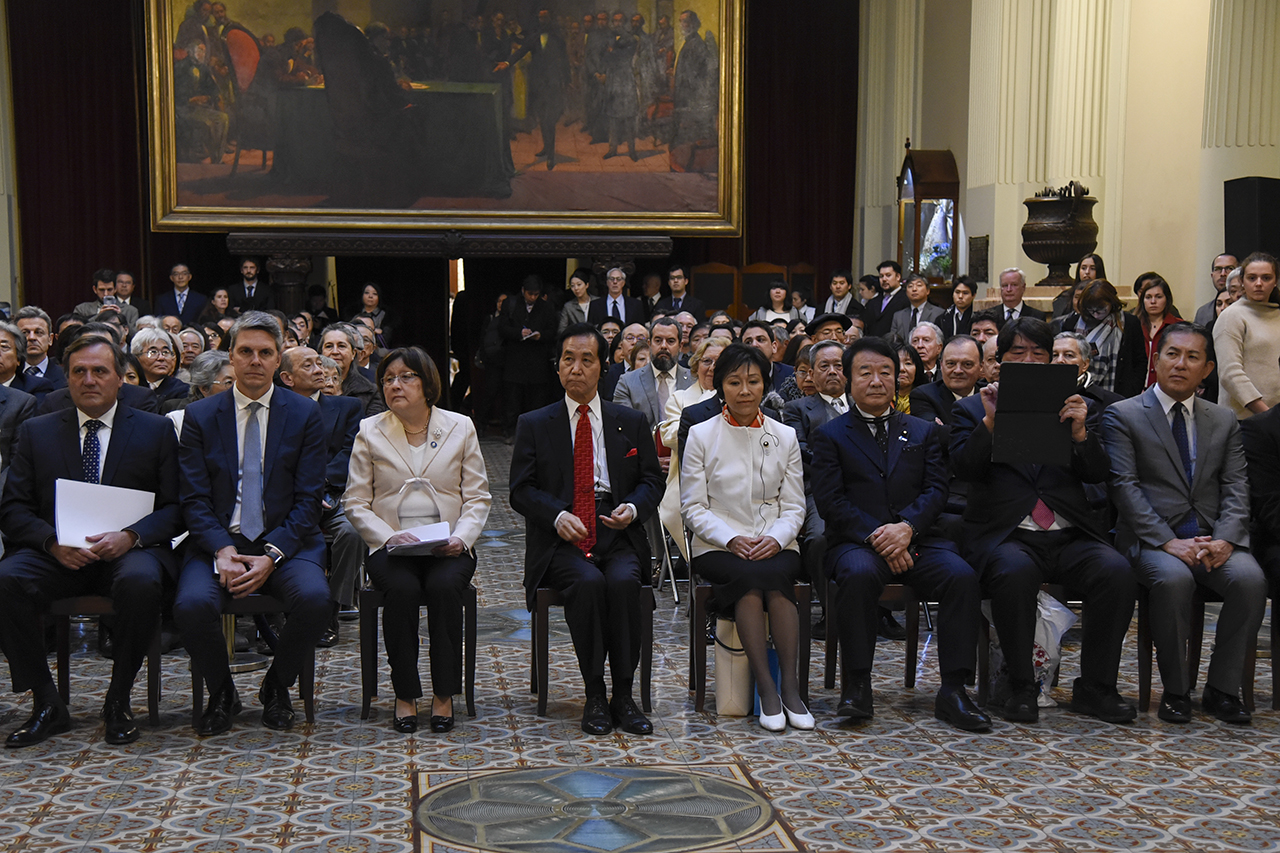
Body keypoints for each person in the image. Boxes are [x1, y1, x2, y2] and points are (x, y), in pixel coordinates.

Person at [950, 317, 1137, 724]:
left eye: (1040, 353)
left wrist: (1081, 435)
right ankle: (1020, 685)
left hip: (1068, 532)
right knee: (1014, 572)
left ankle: (1096, 687)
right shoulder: (970, 408)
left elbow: (1096, 475)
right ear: (997, 362)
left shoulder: (1073, 405)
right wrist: (991, 424)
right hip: (1009, 535)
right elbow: (964, 469)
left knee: (1117, 571)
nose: (1031, 361)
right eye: (1019, 353)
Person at [0, 334, 182, 746]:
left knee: (142, 582)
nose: (89, 380)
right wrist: (51, 543)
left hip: (126, 553)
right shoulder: (36, 431)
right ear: (66, 380)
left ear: (120, 379)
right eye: (79, 372)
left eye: (100, 371)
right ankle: (47, 702)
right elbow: (12, 509)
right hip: (57, 554)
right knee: (6, 578)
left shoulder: (155, 431)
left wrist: (133, 535)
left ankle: (118, 700)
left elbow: (176, 507)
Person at [811, 337, 988, 730]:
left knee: (961, 577)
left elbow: (936, 491)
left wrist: (907, 529)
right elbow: (831, 501)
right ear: (848, 377)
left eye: (885, 372)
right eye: (866, 373)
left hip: (919, 539)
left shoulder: (923, 432)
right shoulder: (830, 435)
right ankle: (857, 685)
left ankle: (953, 691)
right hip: (858, 542)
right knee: (857, 575)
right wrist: (882, 537)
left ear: (898, 378)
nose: (876, 381)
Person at [173, 311, 330, 736]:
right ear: (231, 356)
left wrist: (273, 555)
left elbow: (308, 499)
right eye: (246, 351)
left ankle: (277, 685)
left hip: (287, 540)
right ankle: (223, 691)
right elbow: (194, 498)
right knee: (190, 605)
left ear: (279, 359)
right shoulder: (202, 417)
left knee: (315, 600)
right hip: (218, 541)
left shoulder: (304, 414)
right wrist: (222, 548)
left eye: (265, 353)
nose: (255, 361)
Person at [1102, 323, 1264, 725]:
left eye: (1193, 357)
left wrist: (1226, 540)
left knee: (1250, 580)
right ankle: (1176, 691)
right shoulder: (1123, 415)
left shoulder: (1223, 420)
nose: (1181, 364)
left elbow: (1236, 486)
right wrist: (1166, 541)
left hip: (1213, 538)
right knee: (1174, 580)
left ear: (1207, 368)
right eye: (1172, 354)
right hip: (1152, 540)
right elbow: (1124, 488)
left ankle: (1222, 689)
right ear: (1156, 360)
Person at [509, 323, 663, 736]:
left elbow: (653, 481)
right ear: (557, 367)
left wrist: (633, 507)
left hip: (617, 530)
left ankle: (624, 694)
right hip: (561, 538)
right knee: (588, 584)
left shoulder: (629, 421)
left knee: (624, 583)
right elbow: (520, 491)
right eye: (567, 360)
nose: (576, 369)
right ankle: (595, 692)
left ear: (602, 368)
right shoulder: (535, 423)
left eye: (587, 360)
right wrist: (557, 516)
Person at [345, 347, 490, 734]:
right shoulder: (369, 430)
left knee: (444, 587)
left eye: (406, 377)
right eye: (388, 378)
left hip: (449, 545)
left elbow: (477, 497)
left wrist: (461, 539)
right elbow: (356, 502)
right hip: (392, 545)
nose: (395, 384)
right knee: (403, 590)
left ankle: (444, 694)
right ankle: (405, 693)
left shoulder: (460, 426)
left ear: (427, 385)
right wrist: (390, 536)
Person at [681, 343, 810, 731]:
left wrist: (775, 537)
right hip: (718, 544)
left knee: (772, 574)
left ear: (764, 385)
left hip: (776, 540)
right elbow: (692, 506)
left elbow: (795, 507)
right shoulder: (702, 435)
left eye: (753, 381)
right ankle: (767, 690)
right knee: (753, 580)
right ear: (721, 385)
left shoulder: (784, 435)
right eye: (734, 382)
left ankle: (790, 688)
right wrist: (731, 539)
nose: (744, 390)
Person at [278, 346, 364, 648]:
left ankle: (331, 608)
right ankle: (280, 614)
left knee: (353, 532)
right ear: (287, 377)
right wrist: (302, 491)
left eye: (320, 364)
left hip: (331, 494)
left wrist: (316, 486)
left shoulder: (347, 407)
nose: (320, 370)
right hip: (283, 497)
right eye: (309, 365)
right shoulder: (275, 408)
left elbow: (349, 451)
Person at [782, 340, 849, 637]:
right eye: (825, 366)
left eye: (839, 365)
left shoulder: (865, 402)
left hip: (867, 490)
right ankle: (832, 613)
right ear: (811, 372)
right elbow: (800, 450)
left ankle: (880, 611)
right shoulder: (797, 408)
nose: (833, 371)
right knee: (821, 537)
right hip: (818, 490)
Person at [657, 337, 725, 561]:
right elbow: (669, 437)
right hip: (688, 481)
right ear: (696, 366)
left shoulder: (738, 398)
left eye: (720, 361)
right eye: (707, 361)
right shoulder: (680, 398)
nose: (713, 367)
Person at [1213, 252, 1280, 419]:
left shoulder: (1277, 313)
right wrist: (1266, 414)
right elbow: (1230, 373)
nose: (1259, 284)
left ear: (1275, 282)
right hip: (1244, 419)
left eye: (1266, 278)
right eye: (1252, 278)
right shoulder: (1231, 316)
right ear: (1242, 281)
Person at [500, 275, 558, 442]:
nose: (533, 297)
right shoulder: (510, 304)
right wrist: (519, 333)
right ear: (523, 291)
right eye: (530, 294)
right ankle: (510, 431)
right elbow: (502, 328)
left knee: (536, 400)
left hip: (537, 360)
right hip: (515, 359)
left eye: (536, 294)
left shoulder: (546, 307)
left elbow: (553, 331)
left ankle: (535, 433)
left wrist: (539, 336)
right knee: (512, 399)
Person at [1065, 280, 1145, 397]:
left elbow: (1140, 361)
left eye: (1101, 308)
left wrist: (1132, 391)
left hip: (1119, 394)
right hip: (1079, 392)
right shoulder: (1072, 323)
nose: (1096, 314)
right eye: (1091, 309)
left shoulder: (1129, 323)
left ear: (1112, 303)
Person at [612, 318, 692, 432]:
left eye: (670, 341)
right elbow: (625, 428)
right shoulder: (627, 382)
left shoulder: (694, 380)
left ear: (680, 346)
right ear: (649, 344)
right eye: (658, 340)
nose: (663, 346)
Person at [321, 323, 386, 417]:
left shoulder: (371, 391)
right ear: (321, 352)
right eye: (329, 346)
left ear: (353, 353)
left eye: (341, 346)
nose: (335, 352)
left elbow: (371, 428)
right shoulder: (309, 387)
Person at [165, 349, 233, 436]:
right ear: (204, 388)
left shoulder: (244, 415)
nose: (236, 387)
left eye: (239, 382)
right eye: (229, 383)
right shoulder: (178, 419)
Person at [1053, 331, 1122, 410]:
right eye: (1055, 355)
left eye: (1069, 355)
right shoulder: (1038, 394)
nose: (1059, 360)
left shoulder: (1113, 403)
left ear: (1085, 364)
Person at [1133, 274, 1180, 390]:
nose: (1153, 301)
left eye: (1158, 297)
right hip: (1136, 390)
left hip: (1166, 389)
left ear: (1167, 299)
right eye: (1148, 297)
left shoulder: (1178, 327)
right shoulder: (1132, 325)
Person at [131, 328, 190, 406]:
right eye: (153, 352)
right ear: (137, 357)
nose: (161, 358)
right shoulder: (130, 386)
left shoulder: (182, 390)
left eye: (165, 352)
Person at [13, 306, 66, 390]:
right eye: (25, 333)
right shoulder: (7, 375)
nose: (31, 337)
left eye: (38, 332)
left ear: (50, 339)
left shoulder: (66, 376)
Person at [72, 269, 140, 328]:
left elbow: (135, 337)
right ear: (95, 289)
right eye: (102, 290)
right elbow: (76, 333)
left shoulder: (131, 311)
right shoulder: (82, 309)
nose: (106, 294)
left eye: (109, 289)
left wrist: (121, 318)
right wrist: (98, 317)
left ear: (115, 289)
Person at [890, 274, 944, 343]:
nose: (914, 289)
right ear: (906, 292)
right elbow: (893, 342)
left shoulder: (939, 313)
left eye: (919, 285)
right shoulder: (898, 316)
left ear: (928, 291)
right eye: (910, 286)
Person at [864, 261, 908, 339]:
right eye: (881, 276)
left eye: (888, 275)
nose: (884, 279)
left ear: (898, 277)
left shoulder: (906, 299)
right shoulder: (873, 302)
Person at [1194, 253, 1239, 327]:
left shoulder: (1250, 307)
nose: (1223, 274)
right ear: (1212, 275)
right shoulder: (1203, 312)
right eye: (1218, 269)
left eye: (1229, 268)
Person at [351, 282, 390, 348]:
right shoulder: (353, 314)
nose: (370, 296)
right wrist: (374, 331)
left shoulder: (386, 316)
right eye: (367, 293)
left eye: (374, 294)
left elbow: (386, 339)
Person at [559, 268, 595, 333]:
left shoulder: (598, 302)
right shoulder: (569, 306)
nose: (576, 288)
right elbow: (562, 330)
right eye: (572, 286)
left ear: (587, 285)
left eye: (579, 284)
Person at [894, 345, 924, 415]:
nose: (902, 369)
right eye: (897, 363)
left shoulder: (925, 399)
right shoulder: (881, 398)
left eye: (908, 363)